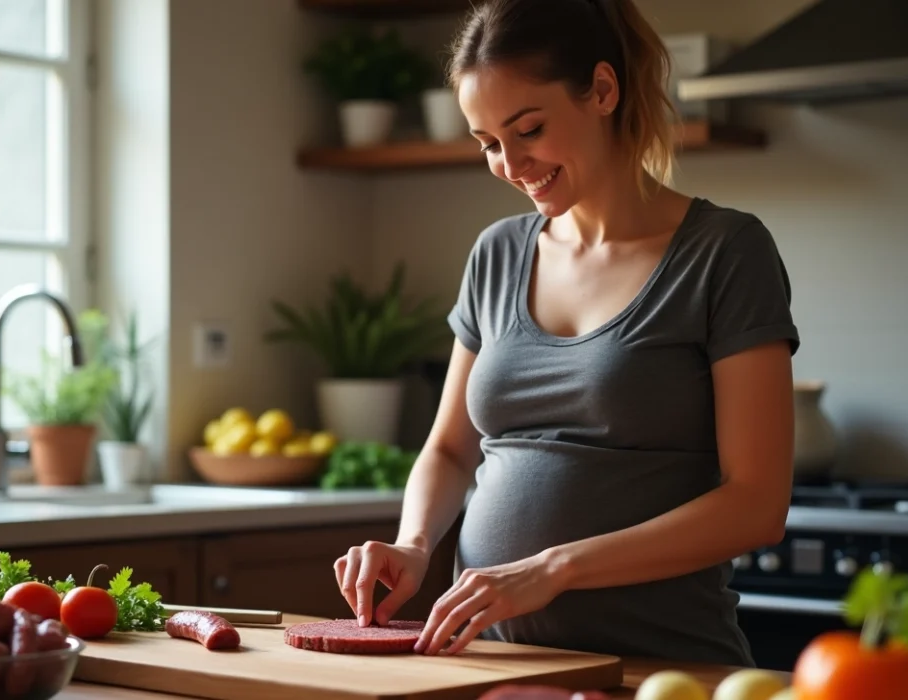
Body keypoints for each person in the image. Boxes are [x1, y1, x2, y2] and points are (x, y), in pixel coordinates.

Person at [333, 0, 799, 667]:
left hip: (660, 669)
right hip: (495, 669)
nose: (509, 163)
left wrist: (553, 568)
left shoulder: (725, 252)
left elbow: (755, 505)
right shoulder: (497, 254)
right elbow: (449, 450)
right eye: (488, 142)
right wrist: (413, 543)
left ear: (603, 90)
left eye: (528, 129)